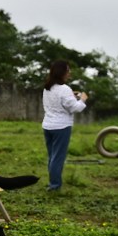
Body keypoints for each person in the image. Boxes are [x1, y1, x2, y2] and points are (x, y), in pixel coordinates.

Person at [41, 60, 88, 191]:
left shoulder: (47, 88)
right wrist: (83, 99)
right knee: (58, 158)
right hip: (61, 127)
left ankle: (53, 182)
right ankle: (54, 186)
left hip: (48, 125)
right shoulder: (65, 89)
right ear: (61, 72)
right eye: (68, 70)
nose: (69, 73)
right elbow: (75, 108)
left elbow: (60, 101)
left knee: (52, 156)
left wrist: (72, 96)